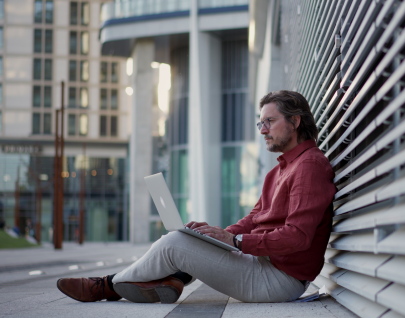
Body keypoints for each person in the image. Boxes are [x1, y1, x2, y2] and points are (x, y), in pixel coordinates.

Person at [57, 90, 336, 304]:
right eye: (261, 123)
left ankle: (106, 286)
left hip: (280, 280)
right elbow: (255, 218)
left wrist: (236, 241)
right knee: (189, 237)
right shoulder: (282, 169)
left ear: (295, 121)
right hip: (264, 265)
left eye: (270, 122)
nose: (263, 130)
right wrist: (218, 237)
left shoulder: (309, 166)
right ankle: (173, 278)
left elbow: (298, 236)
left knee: (175, 243)